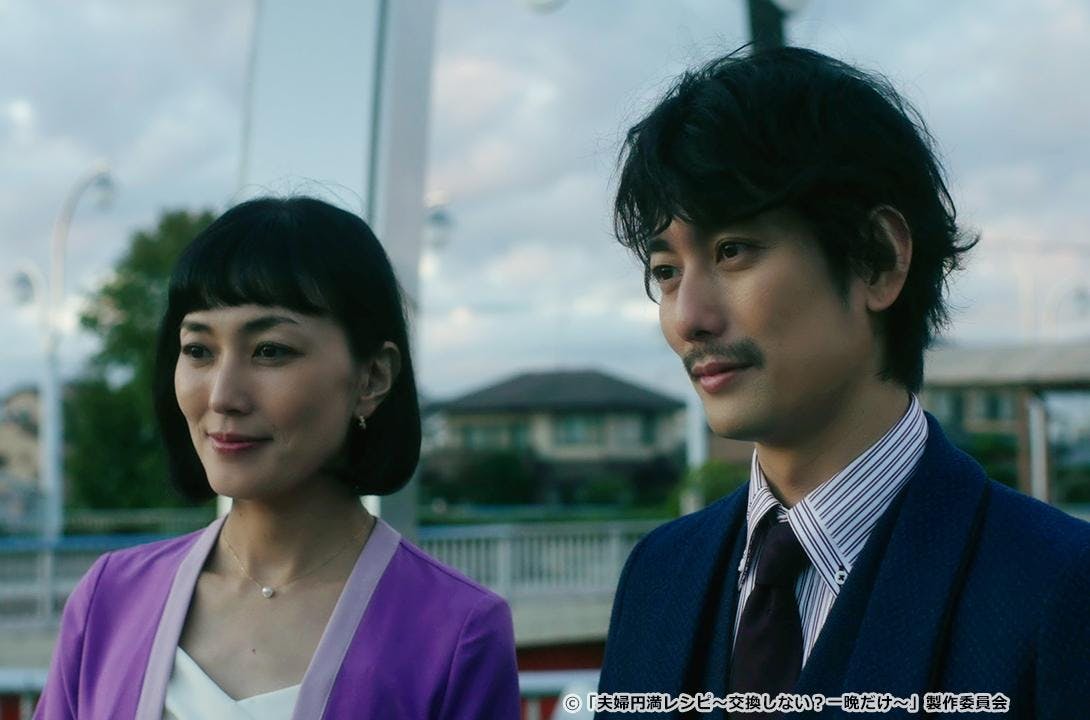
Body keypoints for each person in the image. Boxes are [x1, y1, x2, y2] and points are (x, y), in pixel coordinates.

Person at [596, 47, 1090, 719]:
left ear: (877, 259)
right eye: (665, 272)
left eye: (732, 251)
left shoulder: (1055, 587)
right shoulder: (658, 575)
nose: (688, 318)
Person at [35, 197, 521, 720]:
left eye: (270, 350)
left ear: (373, 377)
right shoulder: (110, 599)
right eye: (198, 350)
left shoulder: (455, 630)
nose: (222, 396)